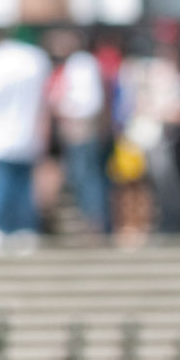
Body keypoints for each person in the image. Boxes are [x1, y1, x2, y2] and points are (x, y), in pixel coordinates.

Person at [0, 25, 53, 253]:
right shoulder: (35, 59)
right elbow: (45, 101)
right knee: (23, 186)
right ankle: (25, 230)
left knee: (0, 186)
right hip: (28, 135)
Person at [124, 20, 180, 237]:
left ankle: (178, 223)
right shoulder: (150, 72)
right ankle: (167, 222)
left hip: (175, 137)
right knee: (159, 183)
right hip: (156, 135)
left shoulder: (179, 75)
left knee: (174, 184)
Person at [50, 25, 115, 241]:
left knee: (87, 176)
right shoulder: (75, 64)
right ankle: (92, 221)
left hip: (82, 126)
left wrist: (66, 108)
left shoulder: (83, 63)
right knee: (81, 176)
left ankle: (96, 223)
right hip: (77, 125)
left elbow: (91, 102)